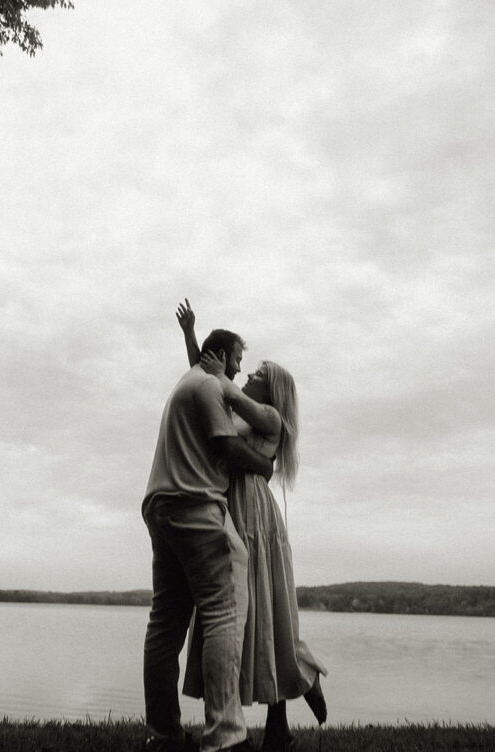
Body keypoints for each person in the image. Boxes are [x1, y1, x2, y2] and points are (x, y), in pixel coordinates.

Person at [176, 300, 328, 752]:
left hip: (255, 516)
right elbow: (207, 387)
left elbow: (219, 387)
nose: (249, 374)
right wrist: (192, 337)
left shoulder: (268, 417)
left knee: (265, 614)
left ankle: (293, 694)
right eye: (249, 370)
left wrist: (214, 367)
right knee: (239, 619)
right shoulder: (234, 404)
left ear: (272, 388)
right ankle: (246, 726)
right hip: (229, 509)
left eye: (257, 373)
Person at [142, 325, 276, 752]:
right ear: (219, 354)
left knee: (165, 623)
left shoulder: (190, 382)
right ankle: (226, 736)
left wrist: (191, 337)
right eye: (237, 358)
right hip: (195, 507)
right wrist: (265, 467)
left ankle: (163, 734)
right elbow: (226, 447)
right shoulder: (207, 387)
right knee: (224, 609)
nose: (239, 367)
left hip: (159, 505)